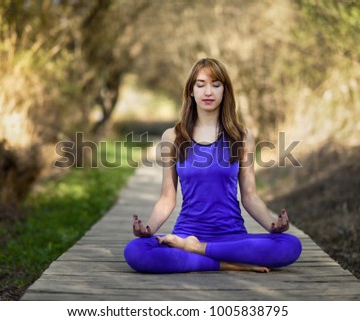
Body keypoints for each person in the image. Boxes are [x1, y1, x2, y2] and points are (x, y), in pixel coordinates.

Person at [124, 58, 302, 273]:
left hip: (232, 236)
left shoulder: (242, 136)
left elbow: (250, 195)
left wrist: (272, 226)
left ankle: (198, 250)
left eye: (216, 85)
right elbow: (167, 197)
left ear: (225, 90)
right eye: (200, 85)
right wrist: (149, 229)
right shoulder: (173, 137)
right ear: (191, 90)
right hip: (186, 234)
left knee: (290, 245)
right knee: (136, 251)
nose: (208, 92)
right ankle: (224, 263)